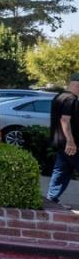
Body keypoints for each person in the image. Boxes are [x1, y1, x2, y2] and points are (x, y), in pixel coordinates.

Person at [46, 73, 79, 205]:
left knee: (61, 172)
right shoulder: (71, 99)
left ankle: (51, 200)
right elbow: (65, 120)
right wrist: (71, 141)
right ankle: (51, 199)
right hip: (70, 145)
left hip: (59, 143)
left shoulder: (58, 97)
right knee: (61, 172)